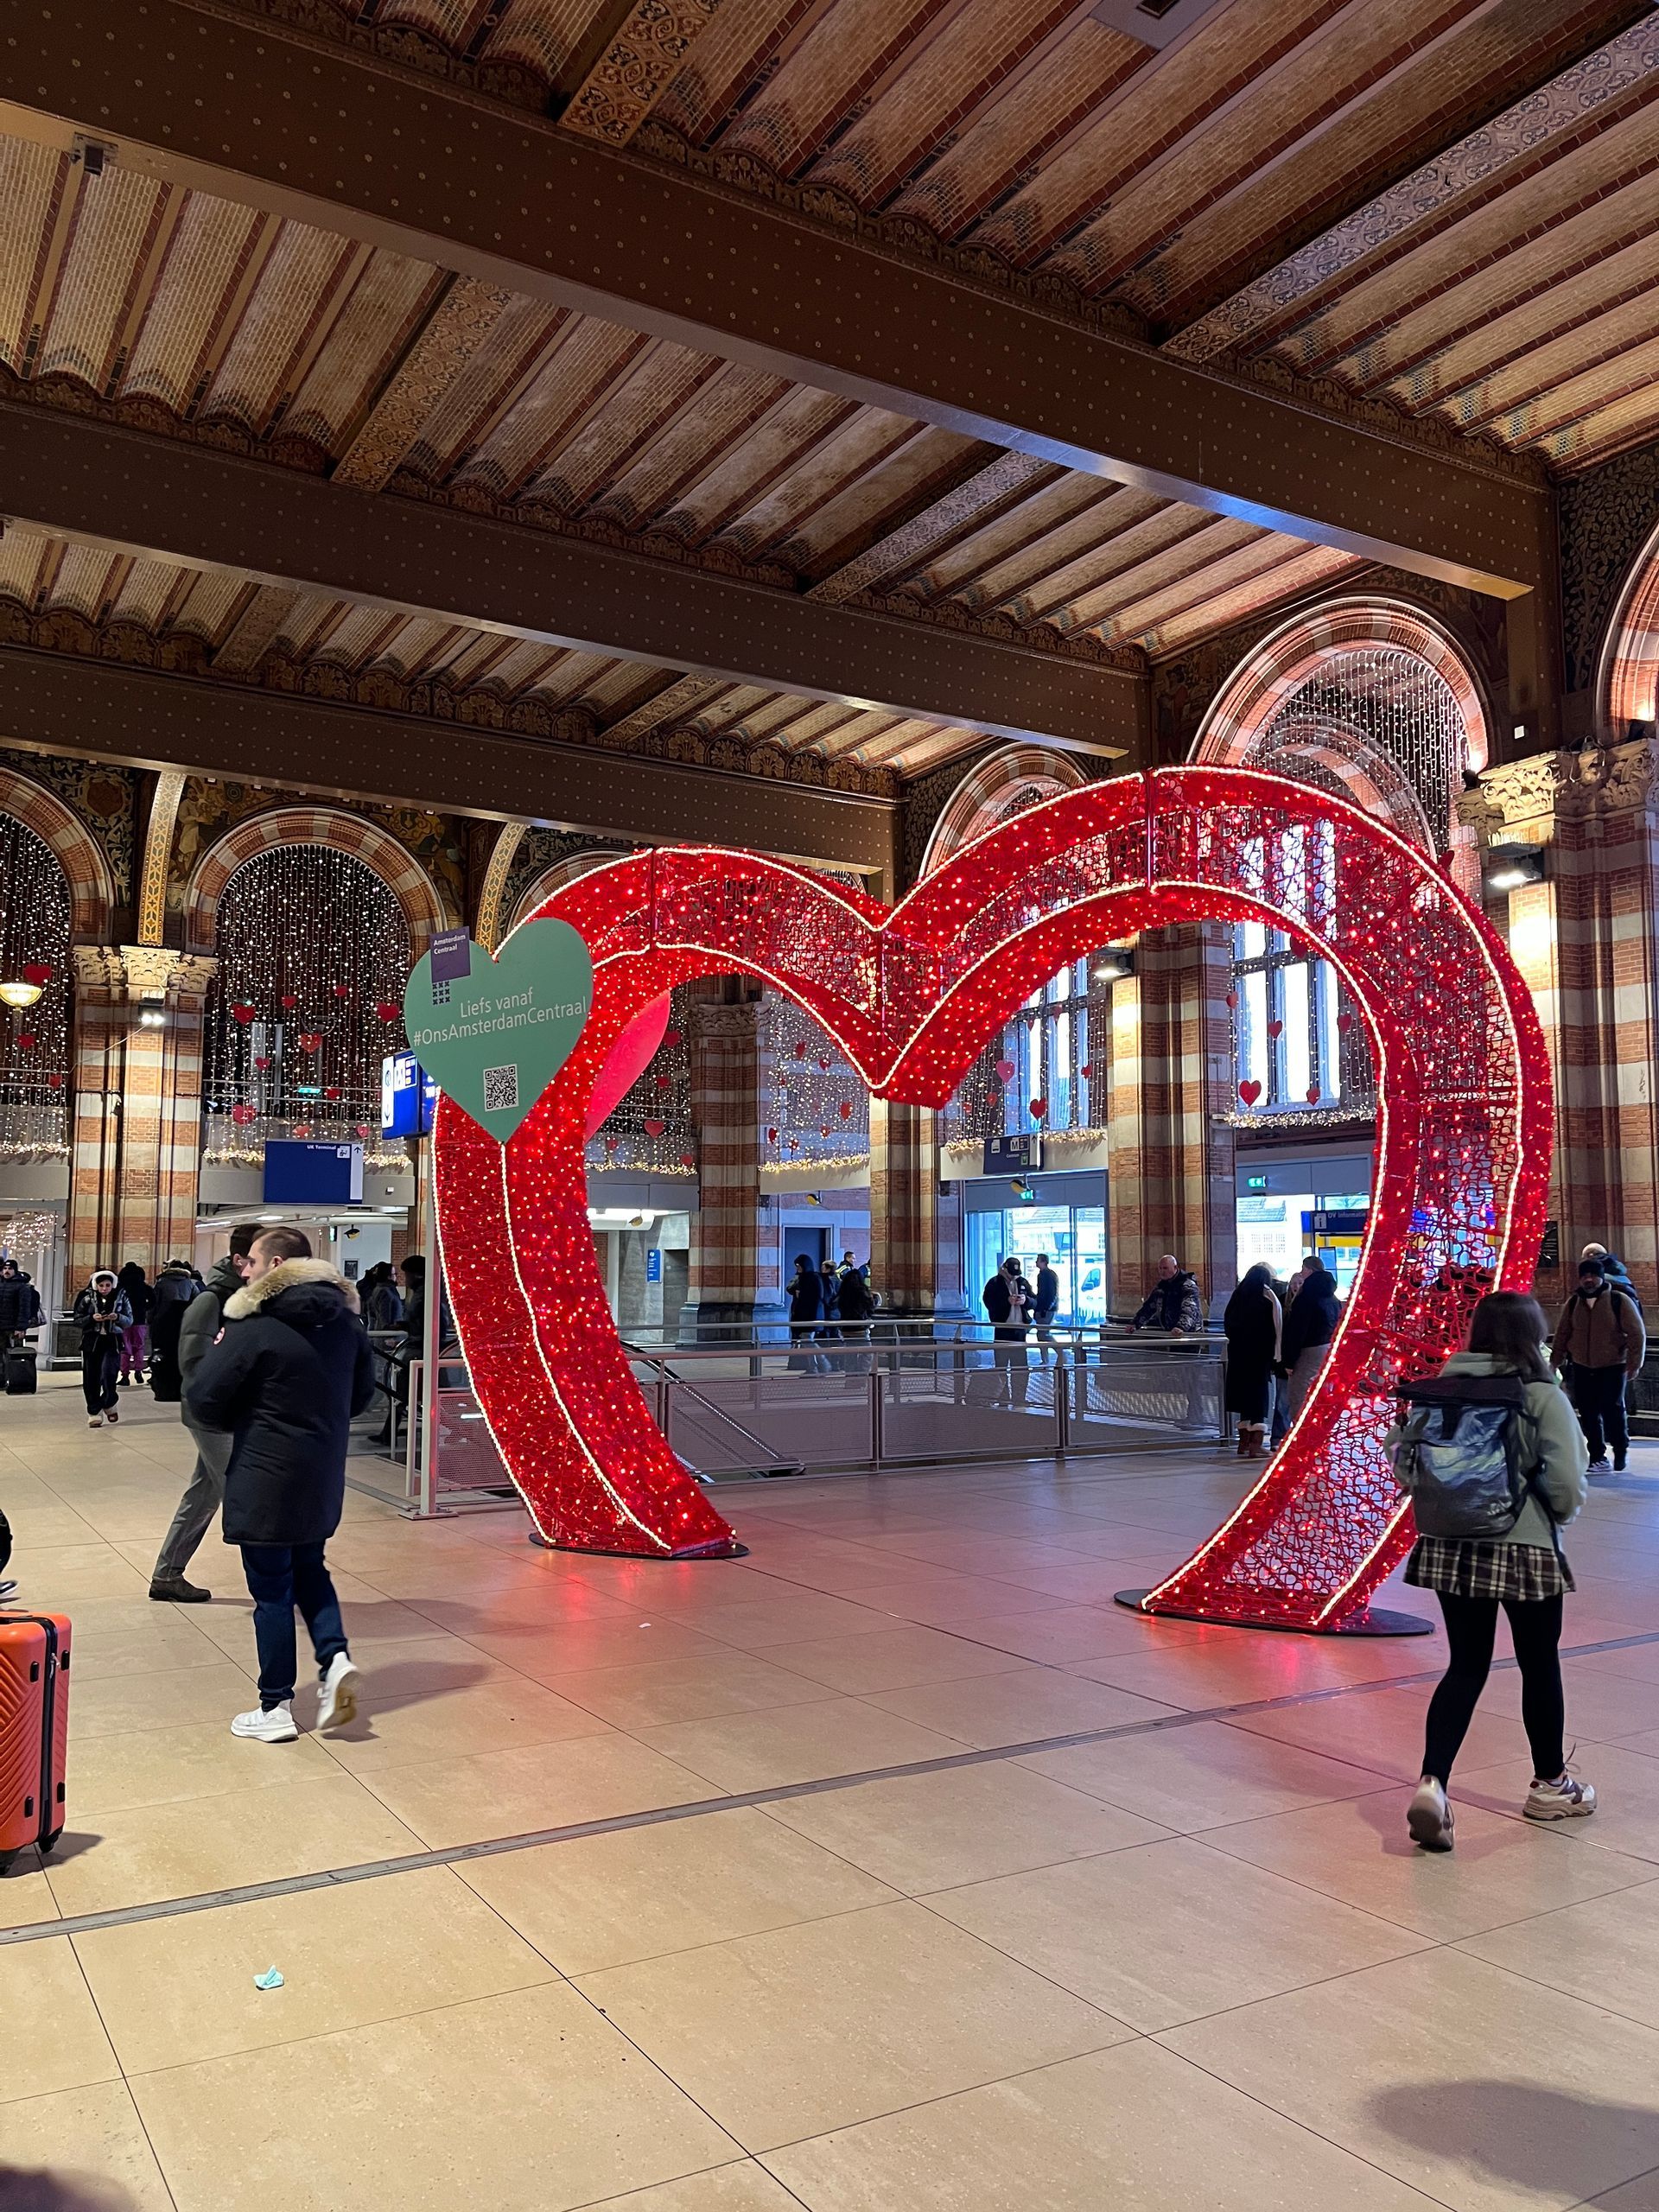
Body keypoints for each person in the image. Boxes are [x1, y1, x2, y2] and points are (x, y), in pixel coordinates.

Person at [1394, 1290, 1592, 1851]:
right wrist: (1550, 1517)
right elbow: (1567, 1481)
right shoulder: (1540, 1395)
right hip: (1524, 1547)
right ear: (1532, 1335)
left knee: (1465, 1666)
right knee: (1539, 1663)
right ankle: (1551, 1785)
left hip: (1449, 1548)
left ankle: (1433, 1783)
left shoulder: (1437, 1392)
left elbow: (1406, 1466)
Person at [186, 1224, 375, 1744]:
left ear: (274, 1266)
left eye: (250, 1261)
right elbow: (361, 1398)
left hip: (264, 1475)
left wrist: (245, 1417)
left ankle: (275, 1707)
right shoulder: (347, 1324)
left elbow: (204, 1396)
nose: (243, 1269)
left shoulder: (254, 1325)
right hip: (322, 1473)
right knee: (310, 1568)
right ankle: (335, 1661)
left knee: (271, 1591)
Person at [148, 1225, 259, 1603]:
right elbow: (196, 1366)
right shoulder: (212, 1300)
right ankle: (274, 1587)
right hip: (214, 1416)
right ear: (240, 1260)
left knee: (204, 1494)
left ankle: (167, 1575)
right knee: (245, 1497)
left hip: (232, 1413)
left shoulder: (249, 1297)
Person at [1554, 1256, 1644, 1476]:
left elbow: (1636, 1333)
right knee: (1588, 1413)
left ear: (1601, 1277)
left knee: (1613, 1410)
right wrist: (1555, 1360)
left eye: (1593, 1275)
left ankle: (1620, 1448)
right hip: (1582, 1365)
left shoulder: (1618, 1300)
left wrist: (1634, 1363)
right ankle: (1597, 1456)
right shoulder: (1573, 1303)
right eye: (1585, 1276)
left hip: (1612, 1365)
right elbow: (1562, 1333)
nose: (1589, 1280)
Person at [1224, 1263, 1282, 1458]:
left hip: (1237, 1355)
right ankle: (1256, 1445)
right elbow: (1277, 1327)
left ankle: (1243, 1443)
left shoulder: (1237, 1295)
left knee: (1243, 1398)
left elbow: (1228, 1325)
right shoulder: (1267, 1297)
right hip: (1259, 1356)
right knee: (1258, 1399)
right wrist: (1276, 1355)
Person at [1280, 1264, 1340, 1420]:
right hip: (1328, 1347)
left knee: (1299, 1392)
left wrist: (1289, 1361)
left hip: (1309, 1350)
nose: (1301, 1273)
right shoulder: (1333, 1298)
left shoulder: (1307, 1298)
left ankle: (1302, 1430)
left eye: (1304, 1269)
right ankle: (1320, 1426)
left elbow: (1297, 1331)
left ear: (1311, 1271)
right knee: (1322, 1391)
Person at [73, 1269, 132, 1427]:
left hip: (112, 1341)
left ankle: (109, 1401)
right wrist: (91, 1318)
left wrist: (118, 1317)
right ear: (96, 1285)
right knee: (91, 1378)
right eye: (101, 1285)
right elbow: (77, 1319)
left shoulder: (121, 1296)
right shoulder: (86, 1297)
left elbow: (129, 1320)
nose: (104, 1288)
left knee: (109, 1374)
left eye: (107, 1285)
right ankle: (94, 1411)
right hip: (92, 1341)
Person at [146, 1257, 200, 1402]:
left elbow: (153, 1304)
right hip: (183, 1322)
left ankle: (162, 1385)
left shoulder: (161, 1283)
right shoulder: (189, 1283)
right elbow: (196, 1301)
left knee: (162, 1353)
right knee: (180, 1353)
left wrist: (151, 1320)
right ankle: (178, 1387)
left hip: (162, 1323)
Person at [982, 1256, 1033, 1405]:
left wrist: (1026, 1300)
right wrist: (1006, 1301)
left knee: (1021, 1368)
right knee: (1001, 1367)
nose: (1013, 1277)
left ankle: (1019, 1399)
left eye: (1016, 1274)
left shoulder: (1023, 1282)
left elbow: (1035, 1301)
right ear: (1004, 1269)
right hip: (1002, 1330)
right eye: (1011, 1274)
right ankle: (1003, 1398)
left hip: (1020, 1331)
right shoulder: (994, 1283)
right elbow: (989, 1302)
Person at [1130, 1255, 1202, 1334]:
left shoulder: (1187, 1285)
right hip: (1170, 1332)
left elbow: (1190, 1308)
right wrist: (1135, 1324)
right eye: (1160, 1268)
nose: (1162, 1272)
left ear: (1175, 1267)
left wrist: (1181, 1326)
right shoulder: (1162, 1286)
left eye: (1165, 1268)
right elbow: (1149, 1306)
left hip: (1189, 1333)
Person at [786, 1253, 827, 1373]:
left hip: (810, 1316)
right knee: (806, 1341)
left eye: (799, 1266)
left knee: (807, 1340)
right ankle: (813, 1366)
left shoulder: (813, 1278)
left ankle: (821, 1363)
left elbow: (816, 1298)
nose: (797, 1269)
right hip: (804, 1315)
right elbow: (791, 1289)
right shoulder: (803, 1278)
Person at [115, 1261, 150, 1387]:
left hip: (124, 1321)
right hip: (140, 1320)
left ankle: (125, 1376)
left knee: (125, 1348)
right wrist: (144, 1308)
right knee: (139, 1347)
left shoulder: (121, 1288)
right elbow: (153, 1301)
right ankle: (138, 1371)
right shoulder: (144, 1287)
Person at [0, 1256, 44, 1342]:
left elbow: (24, 1309)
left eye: (10, 1268)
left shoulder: (22, 1287)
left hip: (13, 1328)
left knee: (11, 1348)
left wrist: (20, 1328)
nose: (7, 1271)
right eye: (5, 1268)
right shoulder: (2, 1284)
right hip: (3, 1326)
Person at [1031, 1253, 1061, 1363]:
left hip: (1047, 1310)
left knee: (1044, 1334)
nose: (1036, 1262)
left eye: (1038, 1260)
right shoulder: (1044, 1274)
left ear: (1044, 1262)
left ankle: (1060, 1352)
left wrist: (1045, 1308)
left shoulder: (1048, 1275)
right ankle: (1045, 1360)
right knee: (1041, 1334)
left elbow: (1051, 1294)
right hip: (1045, 1308)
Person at [360, 1260, 404, 1335]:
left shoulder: (380, 1289)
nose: (396, 1277)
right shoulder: (385, 1292)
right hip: (389, 1336)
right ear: (388, 1276)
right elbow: (385, 1318)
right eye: (394, 1274)